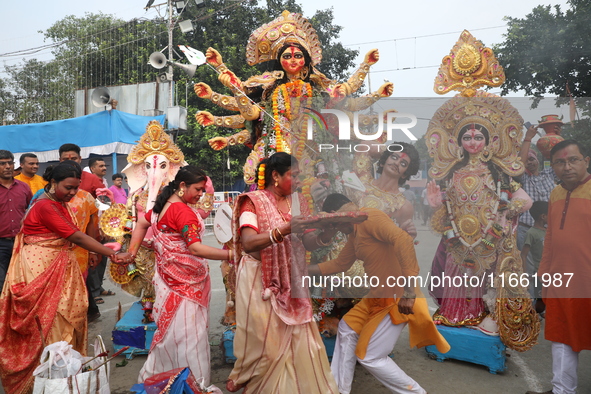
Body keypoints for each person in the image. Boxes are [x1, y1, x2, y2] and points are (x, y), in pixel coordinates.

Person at [195, 10, 391, 186]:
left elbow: (346, 95)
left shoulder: (317, 88)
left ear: (305, 59)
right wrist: (224, 77)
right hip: (275, 150)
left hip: (312, 153)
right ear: (279, 61)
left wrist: (367, 68)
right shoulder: (270, 88)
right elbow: (250, 111)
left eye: (298, 55)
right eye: (287, 56)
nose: (293, 60)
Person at [308, 194, 449, 394]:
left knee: (369, 356)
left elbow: (402, 238)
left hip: (397, 297)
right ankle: (339, 390)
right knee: (347, 328)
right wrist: (301, 269)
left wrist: (408, 292)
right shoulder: (354, 234)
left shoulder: (370, 217)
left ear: (336, 215)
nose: (338, 230)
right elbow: (339, 264)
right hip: (376, 297)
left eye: (335, 224)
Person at [0, 161, 121, 394]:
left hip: (59, 264)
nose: (73, 193)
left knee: (67, 317)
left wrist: (97, 250)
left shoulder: (58, 202)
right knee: (52, 321)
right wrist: (111, 252)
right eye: (68, 188)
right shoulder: (45, 206)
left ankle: (67, 379)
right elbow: (76, 236)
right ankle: (49, 383)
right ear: (53, 183)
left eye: (76, 188)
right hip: (41, 268)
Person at [226, 152, 338, 393]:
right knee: (267, 346)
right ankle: (256, 383)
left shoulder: (299, 202)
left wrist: (327, 234)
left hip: (292, 277)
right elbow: (248, 243)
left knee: (302, 343)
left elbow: (306, 242)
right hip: (259, 279)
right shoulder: (252, 201)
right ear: (275, 176)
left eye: (299, 176)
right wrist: (285, 229)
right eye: (293, 175)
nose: (298, 181)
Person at [116, 166, 228, 387]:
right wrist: (231, 254)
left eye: (203, 190)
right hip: (186, 285)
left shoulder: (161, 207)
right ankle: (193, 384)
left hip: (168, 281)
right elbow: (195, 249)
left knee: (169, 333)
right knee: (191, 336)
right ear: (182, 186)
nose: (200, 195)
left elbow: (141, 223)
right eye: (198, 189)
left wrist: (132, 253)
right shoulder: (183, 211)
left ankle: (159, 379)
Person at [526, 140, 591, 394]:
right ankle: (562, 389)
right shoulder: (554, 194)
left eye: (573, 160)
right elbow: (550, 237)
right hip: (561, 281)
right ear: (552, 167)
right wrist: (543, 279)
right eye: (560, 162)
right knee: (561, 337)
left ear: (586, 160)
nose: (567, 167)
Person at [517, 125, 556, 258]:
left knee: (549, 264)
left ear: (538, 160)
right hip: (526, 229)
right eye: (527, 161)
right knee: (527, 266)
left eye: (532, 159)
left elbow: (558, 160)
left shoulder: (549, 174)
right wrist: (528, 139)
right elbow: (518, 166)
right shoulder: (523, 179)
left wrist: (555, 139)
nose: (530, 163)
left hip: (549, 229)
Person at [0, 150, 32, 292]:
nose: (7, 166)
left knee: (22, 280)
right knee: (2, 283)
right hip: (1, 244)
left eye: (10, 163)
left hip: (22, 242)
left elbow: (30, 211)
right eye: (2, 164)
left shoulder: (24, 187)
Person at [519, 201, 548, 308]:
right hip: (539, 274)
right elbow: (524, 255)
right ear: (543, 216)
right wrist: (525, 276)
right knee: (540, 304)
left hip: (550, 273)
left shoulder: (548, 231)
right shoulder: (531, 233)